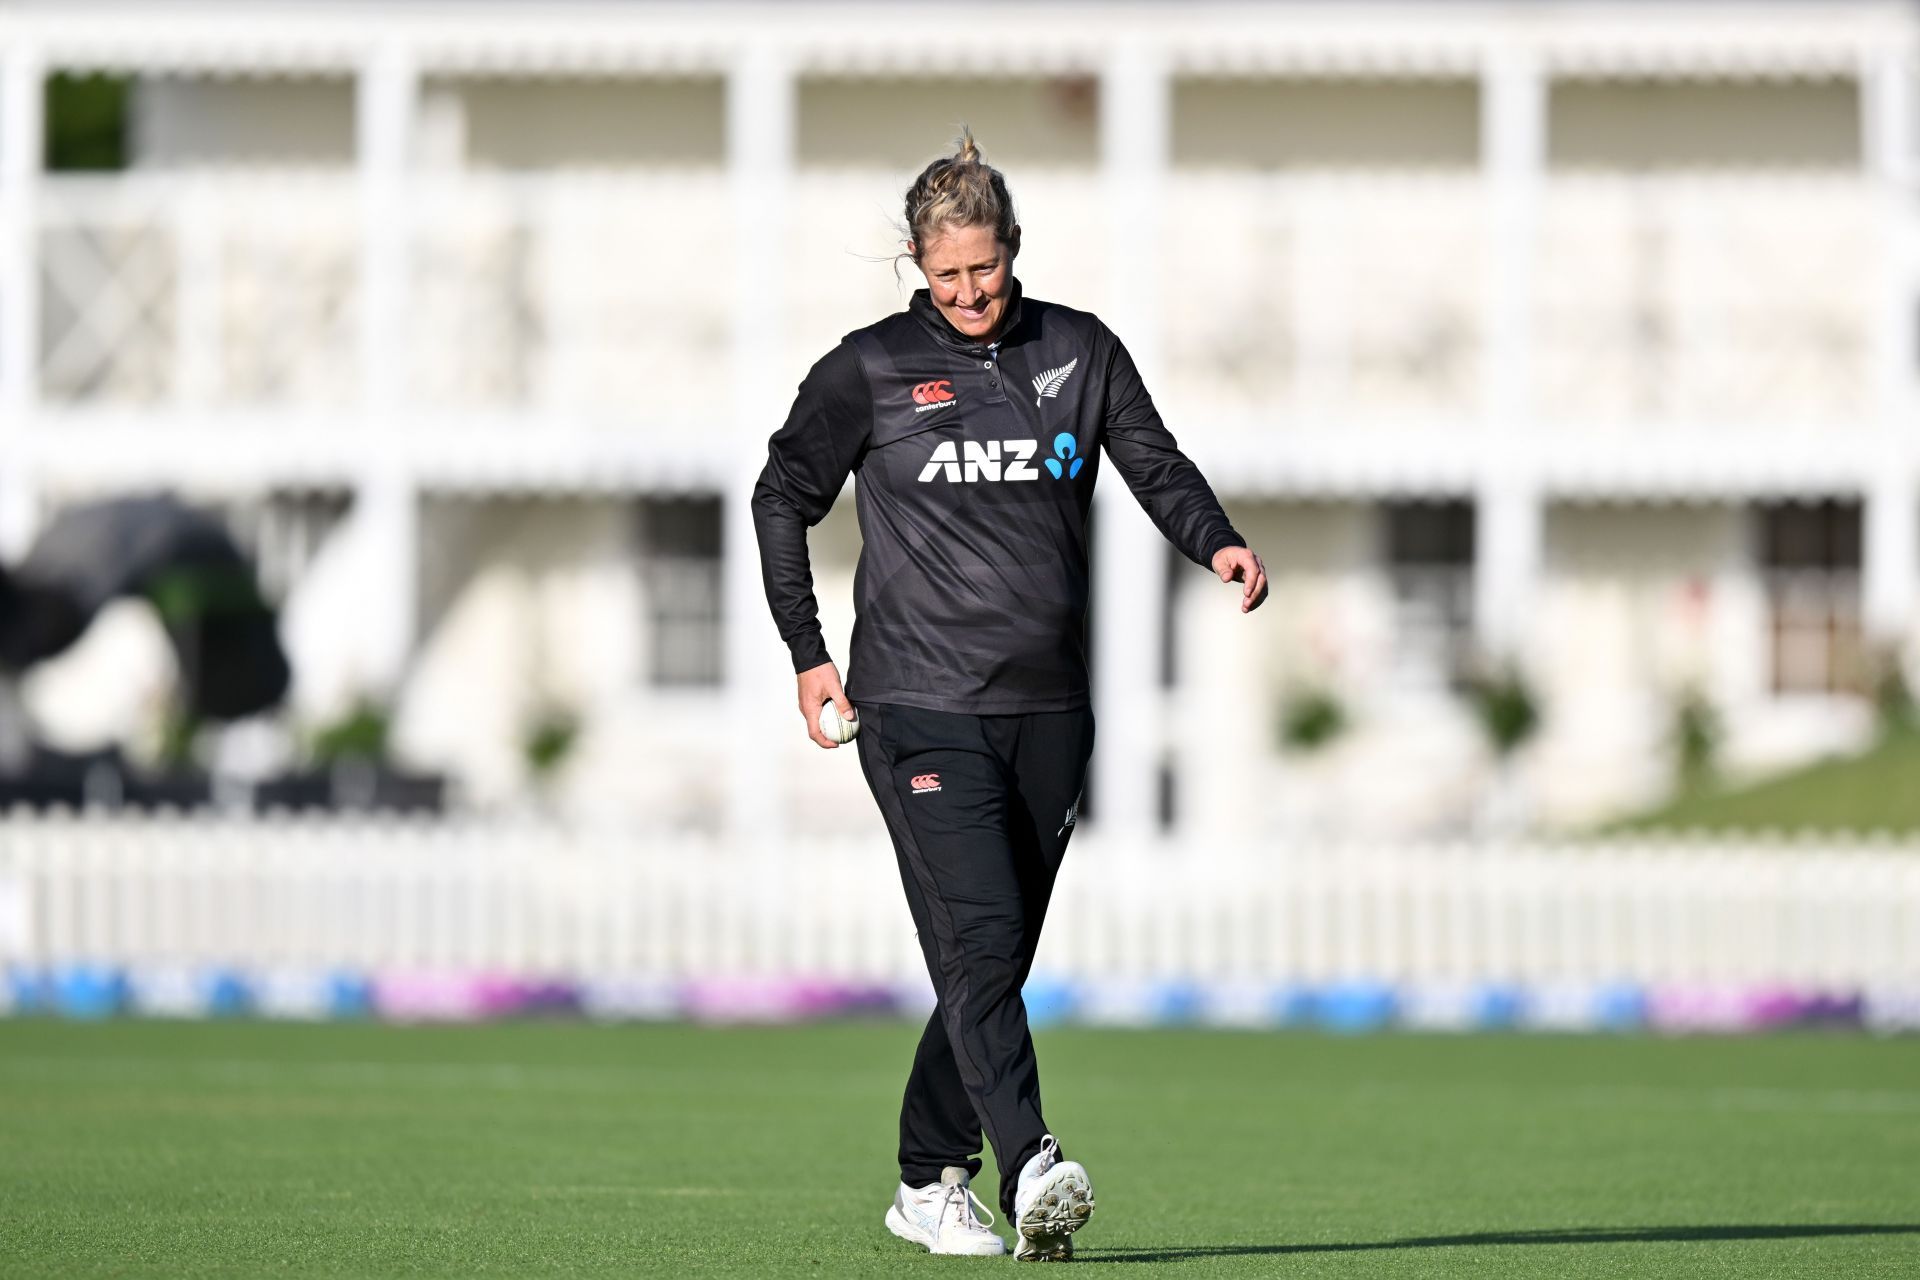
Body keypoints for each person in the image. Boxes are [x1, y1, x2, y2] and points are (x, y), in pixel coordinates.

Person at [751, 131, 1267, 1261]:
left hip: (1051, 711)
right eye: (946, 277)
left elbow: (1155, 462)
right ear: (915, 267)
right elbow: (780, 494)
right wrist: (809, 649)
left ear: (1013, 249)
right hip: (918, 704)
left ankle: (926, 1174)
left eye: (983, 269)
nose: (969, 292)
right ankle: (1033, 1161)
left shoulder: (1080, 353)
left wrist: (1216, 544)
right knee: (980, 935)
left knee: (992, 956)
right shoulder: (869, 370)